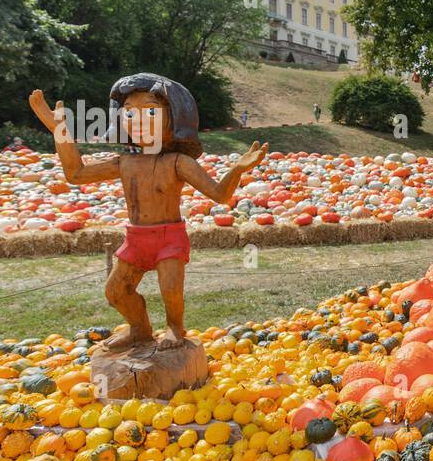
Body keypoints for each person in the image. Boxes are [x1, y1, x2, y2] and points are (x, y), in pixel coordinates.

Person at [29, 74, 265, 351]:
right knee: (115, 292)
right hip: (136, 238)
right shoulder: (124, 161)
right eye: (129, 112)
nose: (137, 120)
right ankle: (140, 329)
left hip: (169, 237)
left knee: (171, 289)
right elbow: (76, 173)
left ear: (175, 119)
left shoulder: (178, 162)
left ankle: (175, 327)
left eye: (151, 111)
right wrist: (59, 130)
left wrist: (236, 170)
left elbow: (220, 195)